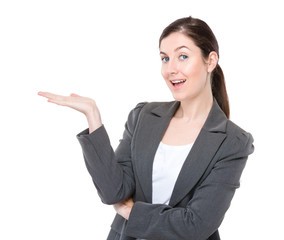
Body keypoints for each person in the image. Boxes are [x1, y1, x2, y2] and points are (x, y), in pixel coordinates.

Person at [38, 16, 254, 240]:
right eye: (164, 58)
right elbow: (115, 191)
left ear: (210, 61)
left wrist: (131, 212)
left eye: (183, 56)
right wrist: (93, 117)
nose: (171, 69)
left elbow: (196, 225)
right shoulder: (144, 116)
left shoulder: (233, 141)